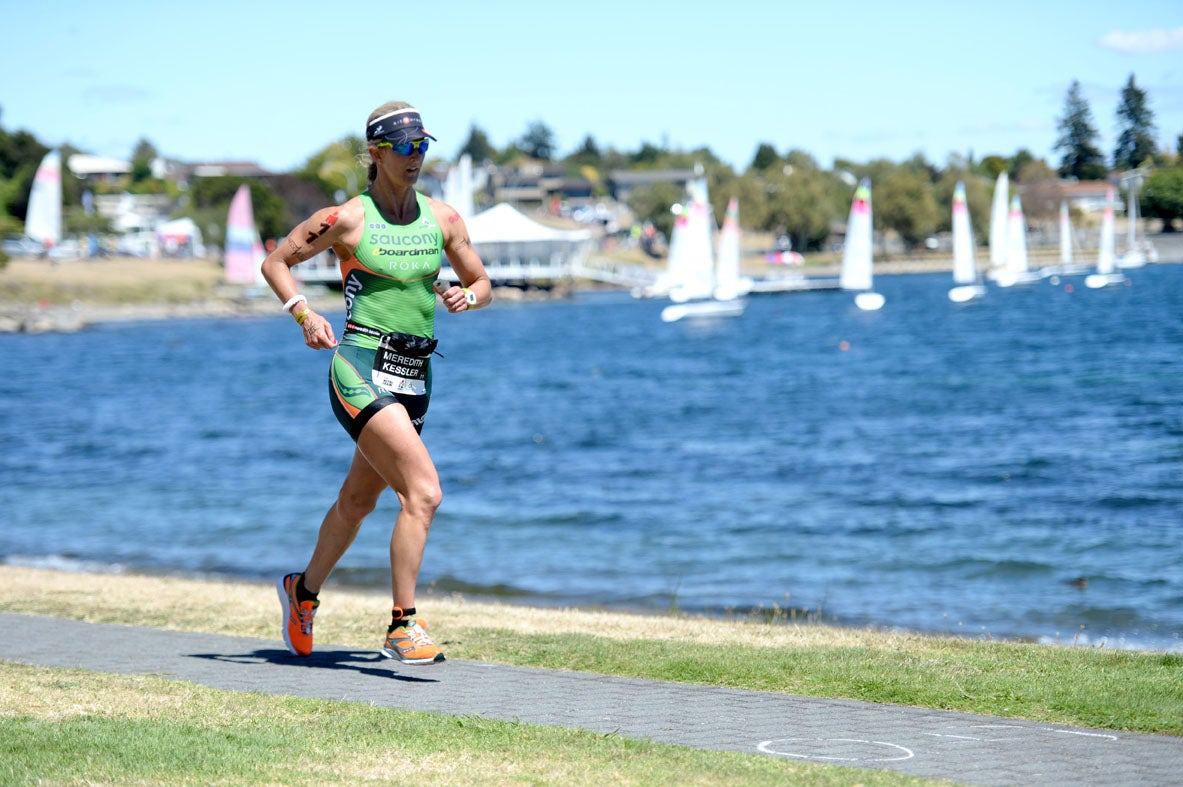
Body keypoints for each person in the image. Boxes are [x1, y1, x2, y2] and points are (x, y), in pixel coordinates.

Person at [260, 101, 491, 665]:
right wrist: (303, 314)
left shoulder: (444, 220)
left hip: (416, 376)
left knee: (358, 501)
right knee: (424, 492)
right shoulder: (347, 219)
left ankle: (302, 592)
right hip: (359, 368)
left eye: (423, 147)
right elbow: (275, 262)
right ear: (377, 154)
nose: (416, 158)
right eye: (405, 148)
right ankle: (402, 625)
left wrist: (470, 297)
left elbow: (482, 280)